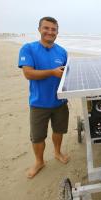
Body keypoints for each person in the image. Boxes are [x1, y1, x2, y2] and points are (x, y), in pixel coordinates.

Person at [18, 16, 70, 178]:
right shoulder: (28, 48)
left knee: (59, 130)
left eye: (53, 29)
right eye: (46, 28)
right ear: (39, 29)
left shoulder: (62, 52)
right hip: (39, 103)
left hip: (60, 102)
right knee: (38, 136)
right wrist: (52, 72)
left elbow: (67, 74)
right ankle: (39, 162)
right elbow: (28, 73)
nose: (50, 32)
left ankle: (57, 152)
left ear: (57, 32)